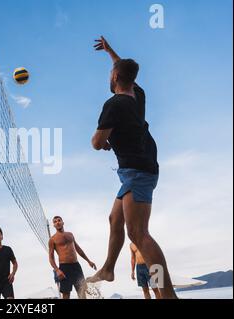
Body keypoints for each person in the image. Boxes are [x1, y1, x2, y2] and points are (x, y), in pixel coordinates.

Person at [87, 36, 177, 299]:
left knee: (139, 234)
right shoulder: (137, 95)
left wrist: (103, 143)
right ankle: (107, 269)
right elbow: (125, 69)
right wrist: (110, 51)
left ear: (115, 77)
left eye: (111, 74)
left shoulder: (114, 104)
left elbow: (96, 142)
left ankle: (167, 292)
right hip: (138, 167)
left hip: (138, 170)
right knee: (115, 219)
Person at [48, 216, 97, 299]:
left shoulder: (70, 235)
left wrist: (88, 261)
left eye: (59, 220)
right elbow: (51, 257)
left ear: (63, 222)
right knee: (66, 295)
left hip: (76, 266)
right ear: (54, 225)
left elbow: (78, 249)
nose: (57, 222)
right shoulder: (52, 239)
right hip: (64, 268)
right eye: (55, 222)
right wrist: (57, 270)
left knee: (82, 292)